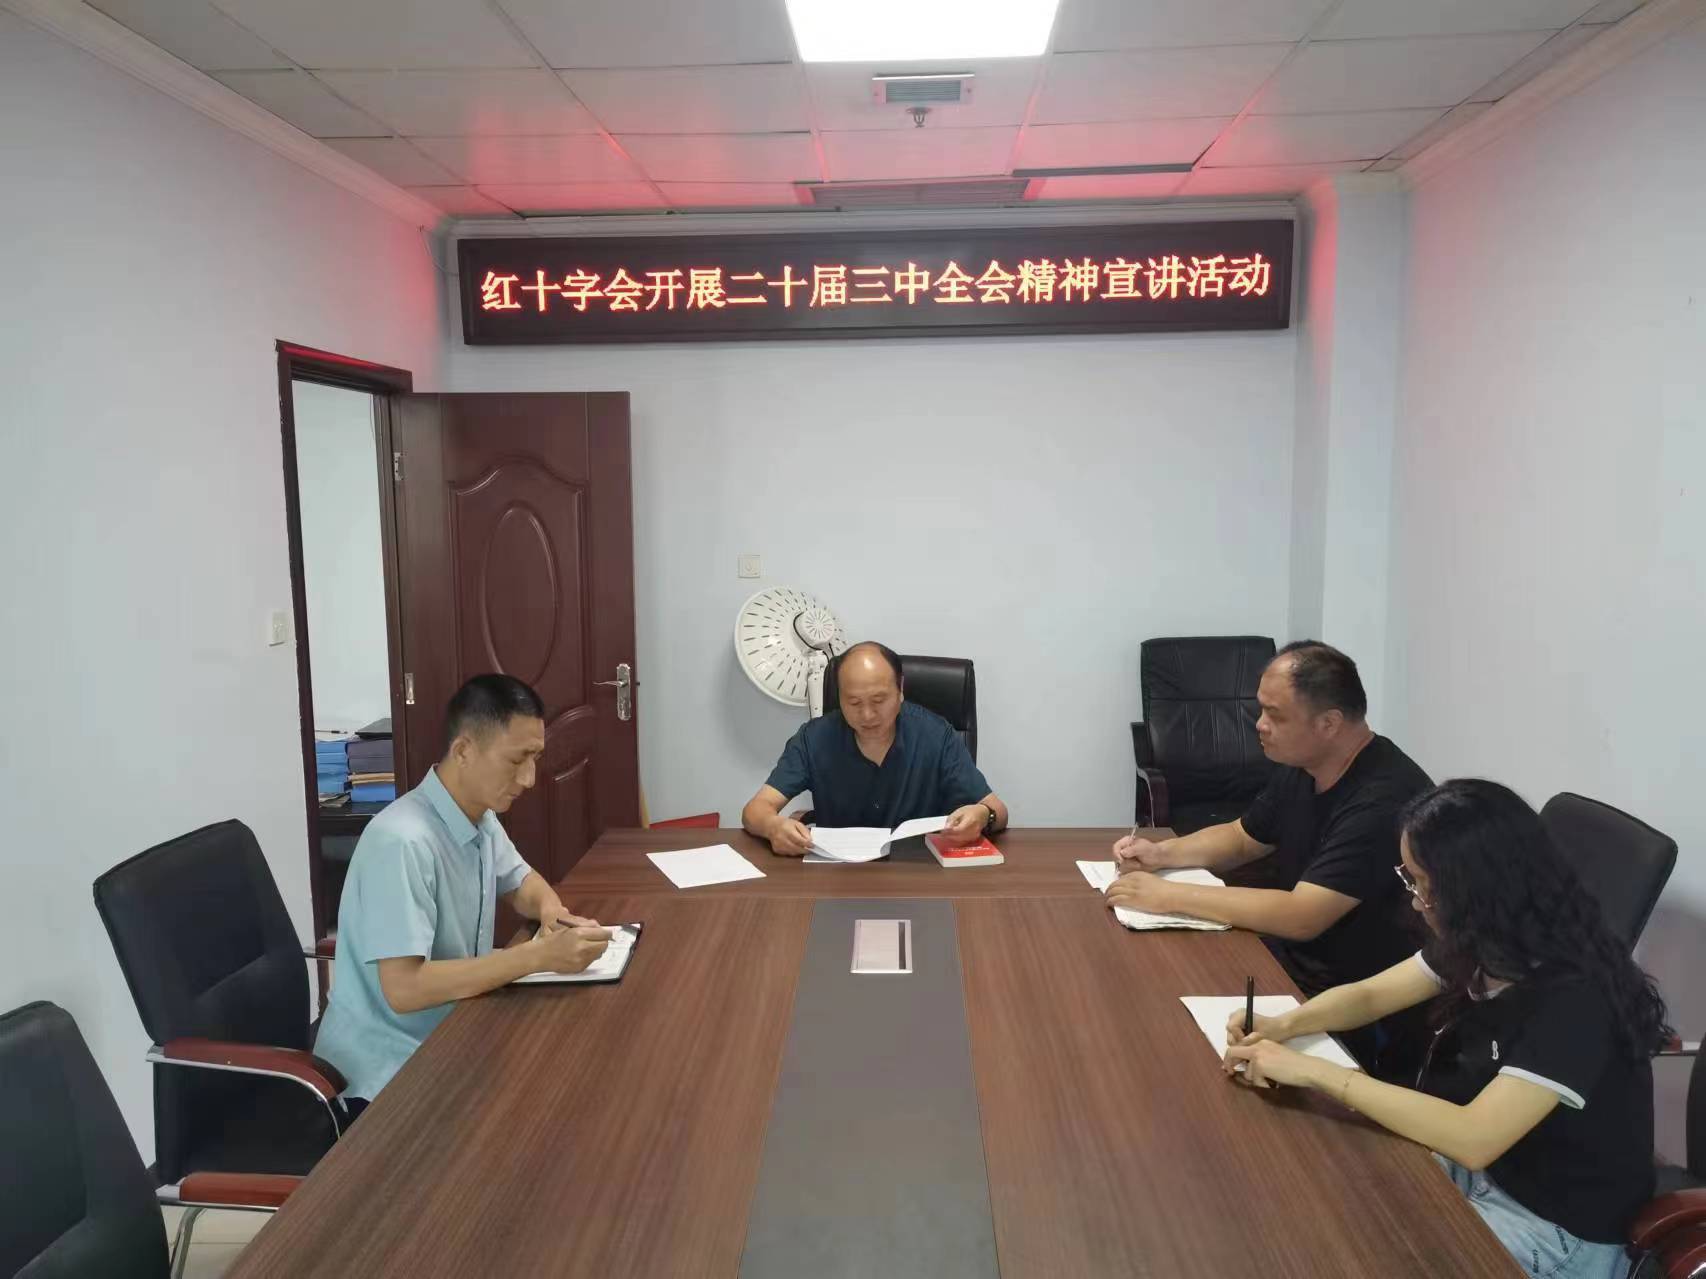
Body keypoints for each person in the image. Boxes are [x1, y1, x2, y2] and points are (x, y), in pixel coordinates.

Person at [1221, 779, 1667, 1279]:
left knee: (1353, 1253)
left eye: (1419, 882)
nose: (1415, 900)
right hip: (1492, 1172)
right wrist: (1285, 1023)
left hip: (1557, 1228)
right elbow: (1370, 996)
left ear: (1470, 890)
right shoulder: (1490, 938)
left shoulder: (1576, 1000)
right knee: (1324, 1196)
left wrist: (1317, 1073)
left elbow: (1475, 1136)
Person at [1106, 641, 1431, 1069]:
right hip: (1295, 965)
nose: (1259, 725)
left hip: (1355, 1003)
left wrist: (1168, 896)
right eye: (1260, 710)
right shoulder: (1305, 765)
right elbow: (1243, 837)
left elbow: (1302, 915)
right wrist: (1162, 852)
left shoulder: (1384, 798)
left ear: (1329, 723)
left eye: (1274, 715)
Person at [316, 674, 610, 1116]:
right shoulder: (402, 842)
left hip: (452, 1035)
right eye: (517, 760)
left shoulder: (478, 817)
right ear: (464, 751)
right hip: (384, 1075)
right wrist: (537, 957)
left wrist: (553, 913)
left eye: (535, 757)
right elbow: (404, 989)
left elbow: (522, 882)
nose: (530, 778)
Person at [741, 641, 1008, 856]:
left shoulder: (936, 734)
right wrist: (773, 826)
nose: (867, 715)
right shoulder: (815, 738)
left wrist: (983, 814)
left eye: (879, 700)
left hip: (919, 873)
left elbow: (998, 811)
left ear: (900, 689)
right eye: (854, 703)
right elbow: (755, 810)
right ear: (838, 696)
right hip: (839, 876)